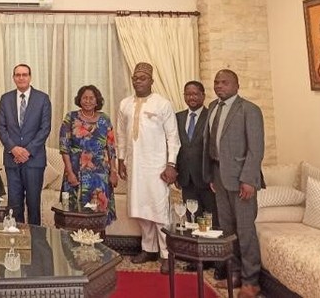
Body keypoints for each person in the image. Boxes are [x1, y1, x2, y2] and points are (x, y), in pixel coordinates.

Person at [202, 69, 265, 298]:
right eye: (217, 82)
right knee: (228, 231)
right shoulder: (212, 108)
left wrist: (248, 179)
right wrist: (211, 176)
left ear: (236, 85)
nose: (219, 86)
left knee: (245, 231)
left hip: (242, 181)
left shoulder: (249, 110)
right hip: (219, 178)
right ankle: (236, 273)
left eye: (225, 82)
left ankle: (252, 282)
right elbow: (210, 146)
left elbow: (255, 149)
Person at [116, 62, 180, 275]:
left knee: (160, 211)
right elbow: (121, 135)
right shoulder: (125, 104)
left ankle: (166, 255)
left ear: (151, 81)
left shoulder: (162, 104)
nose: (138, 81)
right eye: (135, 78)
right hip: (135, 166)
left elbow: (173, 136)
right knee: (141, 210)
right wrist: (121, 160)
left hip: (157, 167)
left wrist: (171, 164)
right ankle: (148, 249)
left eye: (142, 78)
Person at [0, 64, 52, 225]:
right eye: (18, 75)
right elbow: (1, 127)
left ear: (30, 77)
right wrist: (13, 149)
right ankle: (16, 243)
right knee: (14, 206)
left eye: (24, 75)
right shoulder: (5, 99)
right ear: (13, 78)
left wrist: (27, 151)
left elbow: (45, 128)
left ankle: (36, 245)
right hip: (12, 160)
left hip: (34, 161)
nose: (21, 78)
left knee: (33, 205)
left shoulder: (42, 99)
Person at [59, 85, 118, 225]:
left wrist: (113, 171)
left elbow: (111, 147)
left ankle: (99, 245)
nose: (88, 101)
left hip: (100, 175)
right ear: (79, 100)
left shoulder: (105, 119)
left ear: (97, 101)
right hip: (76, 171)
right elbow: (64, 147)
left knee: (98, 216)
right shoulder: (71, 117)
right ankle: (73, 246)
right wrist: (69, 172)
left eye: (92, 98)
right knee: (75, 217)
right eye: (84, 98)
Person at [175, 82, 217, 226]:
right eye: (188, 94)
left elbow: (215, 147)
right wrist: (175, 171)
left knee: (212, 219)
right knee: (192, 219)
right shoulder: (178, 117)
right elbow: (175, 147)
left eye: (195, 94)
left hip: (207, 179)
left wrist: (214, 175)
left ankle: (211, 248)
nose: (191, 97)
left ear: (203, 96)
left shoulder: (211, 117)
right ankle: (194, 247)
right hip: (186, 179)